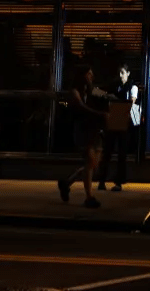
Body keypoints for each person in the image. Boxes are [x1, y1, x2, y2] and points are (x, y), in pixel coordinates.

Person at [58, 66, 107, 209]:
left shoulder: (92, 90)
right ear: (82, 75)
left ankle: (66, 183)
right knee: (90, 160)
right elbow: (81, 107)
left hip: (95, 130)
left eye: (92, 74)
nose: (92, 76)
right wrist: (100, 114)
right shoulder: (75, 91)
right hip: (83, 130)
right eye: (89, 74)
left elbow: (106, 95)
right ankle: (89, 197)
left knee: (92, 165)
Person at [98, 63, 140, 192]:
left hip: (124, 120)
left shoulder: (132, 87)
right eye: (119, 73)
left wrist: (115, 99)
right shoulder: (116, 86)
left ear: (128, 73)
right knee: (108, 151)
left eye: (123, 73)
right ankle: (102, 180)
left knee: (121, 153)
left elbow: (131, 102)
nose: (121, 75)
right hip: (115, 118)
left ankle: (118, 182)